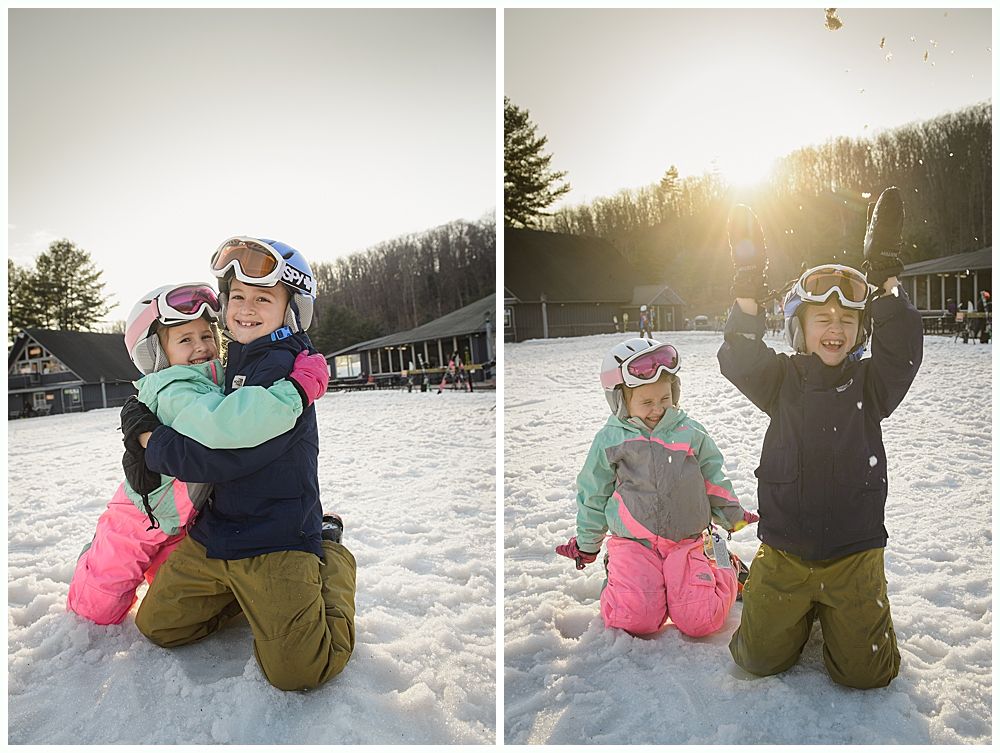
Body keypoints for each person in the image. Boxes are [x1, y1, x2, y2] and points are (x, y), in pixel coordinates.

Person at [122, 237, 356, 692]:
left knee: (300, 672)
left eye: (263, 299)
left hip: (276, 537)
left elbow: (220, 458)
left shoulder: (290, 371)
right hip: (218, 533)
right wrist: (146, 405)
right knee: (158, 626)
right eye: (237, 296)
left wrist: (149, 440)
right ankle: (244, 598)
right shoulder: (229, 362)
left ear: (291, 310)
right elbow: (187, 399)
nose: (246, 309)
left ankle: (331, 555)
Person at [718, 189, 922, 689]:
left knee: (868, 675)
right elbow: (740, 355)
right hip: (785, 552)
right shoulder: (781, 380)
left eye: (847, 319)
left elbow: (902, 352)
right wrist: (748, 284)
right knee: (756, 661)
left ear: (861, 329)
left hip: (854, 555)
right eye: (823, 319)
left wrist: (885, 275)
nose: (835, 328)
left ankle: (841, 611)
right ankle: (796, 607)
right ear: (800, 328)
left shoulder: (872, 385)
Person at [66, 283, 329, 625]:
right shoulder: (175, 389)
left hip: (184, 521)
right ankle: (91, 560)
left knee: (172, 595)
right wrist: (296, 390)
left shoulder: (215, 382)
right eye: (185, 340)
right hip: (137, 518)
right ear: (157, 353)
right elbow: (227, 422)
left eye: (207, 336)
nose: (201, 346)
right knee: (97, 608)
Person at [556, 338, 759, 638]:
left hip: (687, 540)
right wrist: (588, 545)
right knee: (633, 619)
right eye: (647, 403)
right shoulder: (610, 441)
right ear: (620, 401)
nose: (658, 409)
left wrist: (732, 514)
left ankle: (724, 564)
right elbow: (593, 496)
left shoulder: (690, 432)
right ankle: (622, 577)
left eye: (665, 398)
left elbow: (712, 476)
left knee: (701, 620)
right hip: (634, 544)